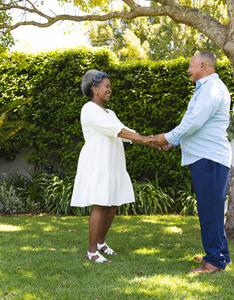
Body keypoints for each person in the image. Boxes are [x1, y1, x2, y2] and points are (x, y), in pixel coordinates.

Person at [151, 52, 232, 273]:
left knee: (209, 211)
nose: (188, 70)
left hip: (209, 158)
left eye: (190, 66)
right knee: (212, 209)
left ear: (202, 65)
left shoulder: (212, 89)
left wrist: (166, 137)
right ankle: (221, 254)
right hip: (206, 157)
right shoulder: (206, 89)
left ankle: (214, 260)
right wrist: (174, 142)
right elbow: (195, 123)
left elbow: (195, 122)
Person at [71, 69, 153, 264]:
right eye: (106, 86)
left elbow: (126, 131)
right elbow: (115, 130)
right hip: (98, 161)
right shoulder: (88, 109)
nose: (110, 90)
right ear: (94, 88)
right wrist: (146, 140)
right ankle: (91, 251)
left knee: (112, 203)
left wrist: (152, 141)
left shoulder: (110, 112)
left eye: (109, 87)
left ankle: (100, 242)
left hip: (113, 161)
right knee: (100, 202)